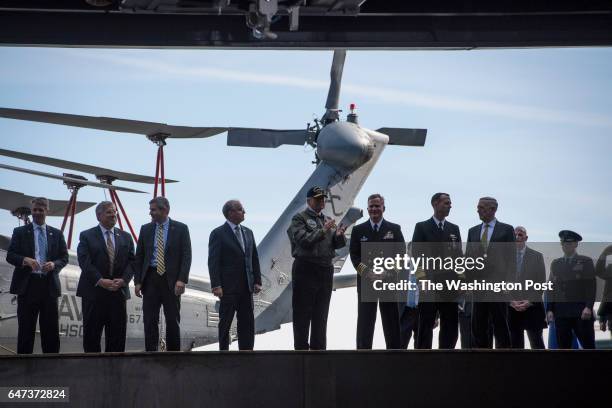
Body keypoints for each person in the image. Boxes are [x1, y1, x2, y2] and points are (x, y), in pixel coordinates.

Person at [287, 186, 347, 350]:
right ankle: (301, 350)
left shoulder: (327, 219)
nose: (321, 201)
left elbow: (334, 245)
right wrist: (324, 230)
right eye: (318, 198)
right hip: (306, 268)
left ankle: (319, 350)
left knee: (321, 313)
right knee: (302, 313)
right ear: (309, 201)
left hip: (325, 269)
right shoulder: (299, 219)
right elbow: (304, 241)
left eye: (323, 198)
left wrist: (339, 236)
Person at [6, 197, 68, 354]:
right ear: (32, 210)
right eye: (35, 210)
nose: (37, 213)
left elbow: (64, 257)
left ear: (47, 211)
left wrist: (54, 264)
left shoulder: (57, 233)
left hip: (49, 286)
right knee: (26, 330)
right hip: (27, 287)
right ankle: (24, 368)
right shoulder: (19, 232)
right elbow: (10, 255)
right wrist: (24, 260)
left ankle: (52, 367)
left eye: (41, 210)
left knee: (51, 331)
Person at [134, 197, 192, 351]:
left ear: (165, 210)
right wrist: (138, 281)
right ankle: (151, 353)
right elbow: (139, 256)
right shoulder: (145, 229)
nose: (150, 213)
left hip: (171, 279)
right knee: (149, 319)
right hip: (150, 279)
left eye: (153, 210)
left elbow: (187, 255)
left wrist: (182, 279)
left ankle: (173, 354)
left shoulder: (181, 228)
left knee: (172, 319)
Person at [76, 201, 135, 352]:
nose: (113, 215)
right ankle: (92, 373)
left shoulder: (126, 237)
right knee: (92, 338)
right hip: (94, 293)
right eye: (109, 212)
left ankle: (115, 373)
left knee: (117, 338)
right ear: (99, 215)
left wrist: (124, 280)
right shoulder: (86, 236)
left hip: (117, 294)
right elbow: (84, 261)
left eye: (114, 212)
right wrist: (100, 280)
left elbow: (132, 262)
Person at [349, 193, 403, 349]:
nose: (374, 209)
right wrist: (368, 273)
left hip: (388, 282)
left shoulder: (394, 229)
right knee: (365, 321)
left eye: (377, 206)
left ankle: (395, 355)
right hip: (367, 282)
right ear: (367, 209)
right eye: (371, 206)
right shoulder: (359, 230)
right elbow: (354, 256)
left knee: (391, 321)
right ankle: (363, 356)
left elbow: (401, 255)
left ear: (383, 208)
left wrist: (388, 272)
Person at [208, 200, 262, 350]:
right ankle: (224, 352)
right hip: (227, 287)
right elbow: (213, 261)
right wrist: (216, 285)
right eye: (240, 209)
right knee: (225, 321)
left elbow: (254, 258)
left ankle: (247, 352)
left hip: (246, 286)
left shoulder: (248, 232)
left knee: (247, 321)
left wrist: (257, 280)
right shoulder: (218, 233)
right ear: (230, 213)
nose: (244, 212)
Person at [411, 192, 462, 349]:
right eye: (446, 203)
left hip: (450, 287)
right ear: (435, 204)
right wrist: (422, 280)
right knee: (425, 327)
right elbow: (416, 256)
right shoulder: (422, 227)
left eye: (450, 203)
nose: (450, 206)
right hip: (429, 285)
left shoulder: (454, 229)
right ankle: (422, 363)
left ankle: (446, 361)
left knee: (450, 328)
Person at [465, 197, 515, 348]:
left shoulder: (506, 230)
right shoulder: (472, 231)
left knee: (500, 324)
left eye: (481, 207)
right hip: (478, 287)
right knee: (478, 325)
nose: (478, 210)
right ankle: (481, 362)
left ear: (492, 209)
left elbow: (511, 259)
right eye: (478, 207)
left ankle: (504, 361)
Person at [546, 230, 596, 349]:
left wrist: (588, 306)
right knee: (564, 351)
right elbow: (551, 287)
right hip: (561, 313)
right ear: (561, 244)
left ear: (576, 244)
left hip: (581, 311)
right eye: (564, 243)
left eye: (569, 243)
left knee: (589, 348)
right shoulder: (556, 263)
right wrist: (549, 309)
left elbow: (591, 286)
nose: (566, 246)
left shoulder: (586, 261)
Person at [507, 226, 546, 349]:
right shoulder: (505, 258)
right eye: (515, 235)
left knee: (537, 344)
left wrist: (529, 301)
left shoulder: (537, 256)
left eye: (520, 234)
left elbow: (541, 282)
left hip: (532, 307)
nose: (517, 237)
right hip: (512, 309)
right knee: (515, 347)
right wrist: (510, 301)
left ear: (526, 237)